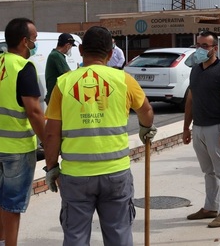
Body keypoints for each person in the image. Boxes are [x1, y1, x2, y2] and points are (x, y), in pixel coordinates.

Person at [43, 26, 157, 246]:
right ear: (111, 53)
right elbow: (147, 111)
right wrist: (145, 128)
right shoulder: (123, 80)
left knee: (75, 237)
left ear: (82, 50)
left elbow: (51, 133)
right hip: (115, 173)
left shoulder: (64, 83)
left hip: (76, 175)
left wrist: (51, 167)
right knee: (119, 235)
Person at [0, 18, 46, 246]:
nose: (36, 43)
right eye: (34, 39)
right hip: (16, 146)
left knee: (4, 195)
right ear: (25, 41)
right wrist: (48, 140)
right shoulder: (24, 68)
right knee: (14, 203)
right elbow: (35, 111)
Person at [182, 30, 220, 228]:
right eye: (198, 45)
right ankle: (210, 207)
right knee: (208, 172)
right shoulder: (196, 69)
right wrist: (186, 127)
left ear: (215, 48)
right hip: (198, 128)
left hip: (217, 128)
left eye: (205, 46)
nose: (200, 49)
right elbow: (190, 99)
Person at [44, 33, 75, 104]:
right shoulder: (56, 56)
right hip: (54, 97)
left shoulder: (55, 54)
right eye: (71, 46)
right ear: (67, 45)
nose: (70, 49)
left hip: (54, 96)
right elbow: (68, 74)